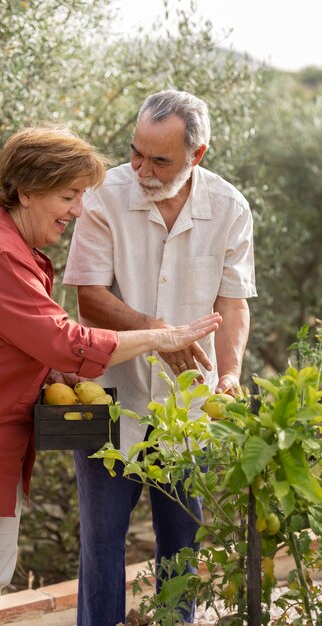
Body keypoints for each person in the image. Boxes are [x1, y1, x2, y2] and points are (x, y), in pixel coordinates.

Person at [0, 124, 221, 626]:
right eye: (68, 196)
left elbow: (19, 345)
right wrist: (161, 337)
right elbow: (67, 340)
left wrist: (53, 371)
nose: (77, 210)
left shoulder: (20, 252)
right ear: (26, 191)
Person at [63, 89, 257, 625]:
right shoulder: (104, 197)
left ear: (197, 156)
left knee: (182, 548)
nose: (141, 168)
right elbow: (89, 297)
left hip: (188, 407)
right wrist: (160, 334)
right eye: (136, 152)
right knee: (101, 548)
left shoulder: (230, 208)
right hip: (107, 399)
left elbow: (233, 303)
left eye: (159, 159)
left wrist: (231, 372)